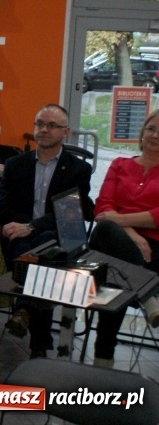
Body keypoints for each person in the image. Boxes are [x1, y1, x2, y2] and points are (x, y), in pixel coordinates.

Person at [0, 103, 93, 358]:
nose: (44, 130)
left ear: (66, 131)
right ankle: (39, 346)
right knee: (41, 253)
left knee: (48, 246)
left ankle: (25, 311)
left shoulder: (78, 169)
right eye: (39, 124)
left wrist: (31, 226)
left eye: (52, 125)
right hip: (20, 240)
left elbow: (70, 214)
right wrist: (21, 227)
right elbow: (4, 208)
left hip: (59, 237)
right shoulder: (15, 164)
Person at [87, 109, 159, 368]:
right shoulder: (120, 165)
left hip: (155, 250)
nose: (155, 135)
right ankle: (148, 292)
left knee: (114, 280)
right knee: (105, 233)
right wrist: (130, 232)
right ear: (142, 134)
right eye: (151, 129)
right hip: (122, 246)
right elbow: (102, 207)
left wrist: (119, 220)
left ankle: (102, 358)